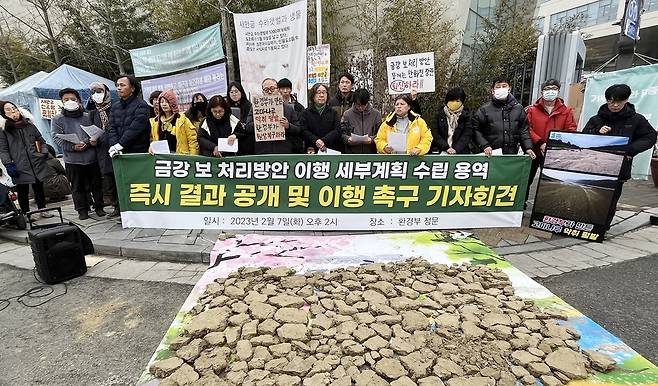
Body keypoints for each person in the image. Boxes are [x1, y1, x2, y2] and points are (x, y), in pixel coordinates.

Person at [582, 84, 657, 229]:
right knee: (591, 195)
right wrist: (597, 131)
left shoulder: (636, 119)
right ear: (606, 100)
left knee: (611, 198)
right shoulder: (596, 119)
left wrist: (629, 150)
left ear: (626, 100)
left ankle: (601, 228)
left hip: (619, 168)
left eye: (619, 102)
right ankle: (586, 222)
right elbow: (584, 138)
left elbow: (649, 137)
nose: (615, 105)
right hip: (595, 166)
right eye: (611, 101)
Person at [51, 88, 104, 220]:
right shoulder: (58, 119)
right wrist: (73, 146)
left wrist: (87, 142)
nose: (70, 102)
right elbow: (56, 137)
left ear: (79, 101)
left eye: (73, 99)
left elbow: (95, 132)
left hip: (91, 158)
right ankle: (82, 210)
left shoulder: (87, 116)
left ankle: (99, 207)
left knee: (96, 184)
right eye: (66, 99)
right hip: (72, 160)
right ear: (62, 102)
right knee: (77, 187)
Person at [0, 101, 53, 217]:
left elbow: (41, 141)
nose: (13, 110)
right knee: (22, 189)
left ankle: (43, 210)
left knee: (39, 187)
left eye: (13, 107)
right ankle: (26, 214)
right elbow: (3, 150)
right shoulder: (4, 130)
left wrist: (43, 153)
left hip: (36, 161)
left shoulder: (29, 125)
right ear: (3, 114)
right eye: (8, 109)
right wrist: (8, 164)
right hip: (19, 164)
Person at [526, 79, 577, 196]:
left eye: (554, 89)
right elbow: (528, 129)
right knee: (527, 179)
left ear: (558, 91)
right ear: (542, 92)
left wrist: (553, 145)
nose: (550, 91)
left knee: (551, 182)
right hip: (533, 151)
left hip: (554, 153)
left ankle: (546, 207)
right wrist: (540, 143)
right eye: (547, 89)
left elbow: (570, 130)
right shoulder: (532, 110)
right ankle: (522, 204)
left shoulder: (566, 111)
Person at [473, 76, 536, 159]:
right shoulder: (484, 110)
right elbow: (476, 129)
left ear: (509, 88)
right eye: (498, 87)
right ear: (492, 90)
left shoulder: (519, 109)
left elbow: (523, 130)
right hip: (490, 155)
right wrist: (485, 145)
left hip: (511, 155)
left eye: (504, 86)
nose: (501, 89)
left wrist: (528, 148)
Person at [244, 78, 302, 155]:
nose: (269, 92)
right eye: (266, 90)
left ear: (278, 90)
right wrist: (259, 121)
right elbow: (248, 127)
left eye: (272, 89)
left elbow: (298, 129)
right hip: (262, 150)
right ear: (263, 92)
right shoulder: (255, 108)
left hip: (283, 150)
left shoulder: (288, 108)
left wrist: (288, 126)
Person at [89, 82, 120, 218]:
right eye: (94, 91)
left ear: (107, 92)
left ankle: (125, 205)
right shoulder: (93, 113)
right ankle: (116, 206)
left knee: (120, 178)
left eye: (100, 91)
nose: (97, 94)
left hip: (117, 147)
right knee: (109, 180)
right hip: (102, 150)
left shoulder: (116, 107)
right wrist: (92, 140)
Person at [108, 75, 151, 157]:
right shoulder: (115, 106)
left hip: (138, 153)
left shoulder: (141, 105)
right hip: (117, 152)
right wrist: (114, 146)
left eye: (122, 85)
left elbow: (135, 129)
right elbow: (111, 128)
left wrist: (120, 145)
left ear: (132, 88)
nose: (119, 88)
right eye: (117, 85)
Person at [150, 90, 200, 155]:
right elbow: (153, 140)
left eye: (167, 102)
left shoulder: (182, 119)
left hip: (181, 158)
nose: (164, 104)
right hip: (162, 158)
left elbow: (192, 140)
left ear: (172, 103)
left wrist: (192, 158)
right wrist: (151, 147)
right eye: (162, 102)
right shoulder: (155, 121)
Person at [430, 87, 472, 154]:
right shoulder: (439, 114)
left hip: (460, 153)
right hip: (440, 151)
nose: (454, 103)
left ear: (462, 102)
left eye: (457, 101)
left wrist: (456, 149)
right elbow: (435, 133)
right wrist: (446, 147)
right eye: (452, 101)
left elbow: (467, 135)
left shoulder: (466, 116)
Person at [301, 83, 341, 154]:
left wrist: (323, 140)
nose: (321, 95)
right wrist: (316, 140)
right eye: (318, 92)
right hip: (311, 150)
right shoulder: (306, 112)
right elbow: (303, 130)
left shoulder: (333, 112)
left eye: (324, 92)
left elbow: (337, 130)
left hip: (330, 149)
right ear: (313, 95)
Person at [340, 88, 382, 154]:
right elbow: (341, 133)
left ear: (367, 102)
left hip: (371, 153)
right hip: (351, 153)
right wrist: (347, 139)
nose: (360, 108)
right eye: (358, 105)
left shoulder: (376, 114)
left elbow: (380, 134)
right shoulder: (347, 114)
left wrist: (372, 139)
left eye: (363, 105)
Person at [227, 81, 254, 155]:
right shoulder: (226, 107)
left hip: (247, 141)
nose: (234, 94)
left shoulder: (249, 106)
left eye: (236, 91)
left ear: (241, 92)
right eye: (231, 92)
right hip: (231, 140)